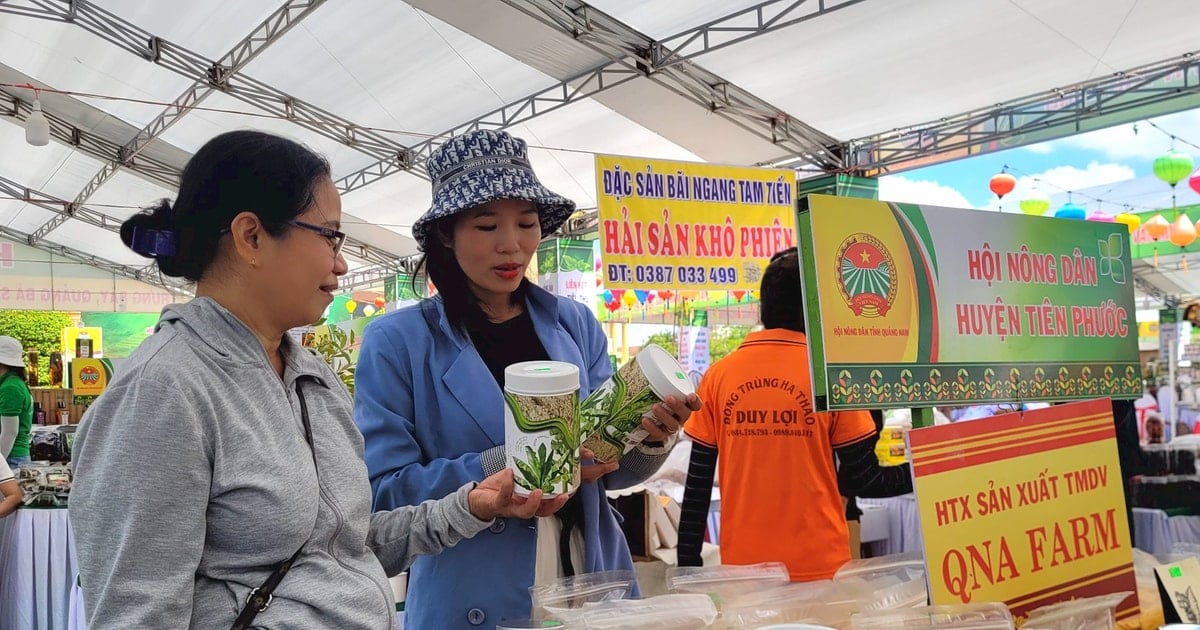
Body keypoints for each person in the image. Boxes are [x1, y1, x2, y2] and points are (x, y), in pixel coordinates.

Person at [69, 130, 560, 630]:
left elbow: (342, 547)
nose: (341, 262)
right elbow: (136, 614)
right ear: (251, 237)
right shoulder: (163, 391)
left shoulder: (311, 377)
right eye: (329, 236)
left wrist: (470, 506)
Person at [354, 129, 701, 629]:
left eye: (527, 222)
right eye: (487, 225)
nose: (512, 244)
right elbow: (386, 494)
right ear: (447, 235)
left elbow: (611, 471)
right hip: (473, 584)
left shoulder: (574, 323)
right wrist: (519, 460)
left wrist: (649, 437)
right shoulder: (400, 342)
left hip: (589, 571)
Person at [677, 247, 913, 581]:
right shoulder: (832, 378)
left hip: (745, 572)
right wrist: (927, 468)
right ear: (816, 309)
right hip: (823, 566)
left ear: (763, 306)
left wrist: (687, 569)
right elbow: (862, 479)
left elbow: (697, 486)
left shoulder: (719, 375)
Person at [0, 336, 34, 469]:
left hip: (10, 458)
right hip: (14, 457)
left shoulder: (10, 388)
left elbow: (10, 433)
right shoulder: (14, 383)